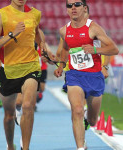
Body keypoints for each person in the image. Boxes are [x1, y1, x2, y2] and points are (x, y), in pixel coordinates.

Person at [54, 0, 119, 150]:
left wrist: (97, 54)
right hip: (74, 75)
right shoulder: (64, 30)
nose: (73, 8)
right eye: (69, 6)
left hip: (94, 76)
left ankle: (86, 118)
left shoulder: (94, 28)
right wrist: (62, 65)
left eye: (77, 4)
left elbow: (113, 49)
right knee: (76, 109)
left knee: (93, 120)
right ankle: (80, 147)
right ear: (67, 10)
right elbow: (64, 48)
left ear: (84, 8)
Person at [0, 0, 47, 150]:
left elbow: (37, 35)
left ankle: (25, 147)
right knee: (9, 116)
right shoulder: (1, 15)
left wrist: (44, 47)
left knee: (28, 106)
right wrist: (12, 34)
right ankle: (10, 145)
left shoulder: (34, 14)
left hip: (30, 66)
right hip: (9, 71)